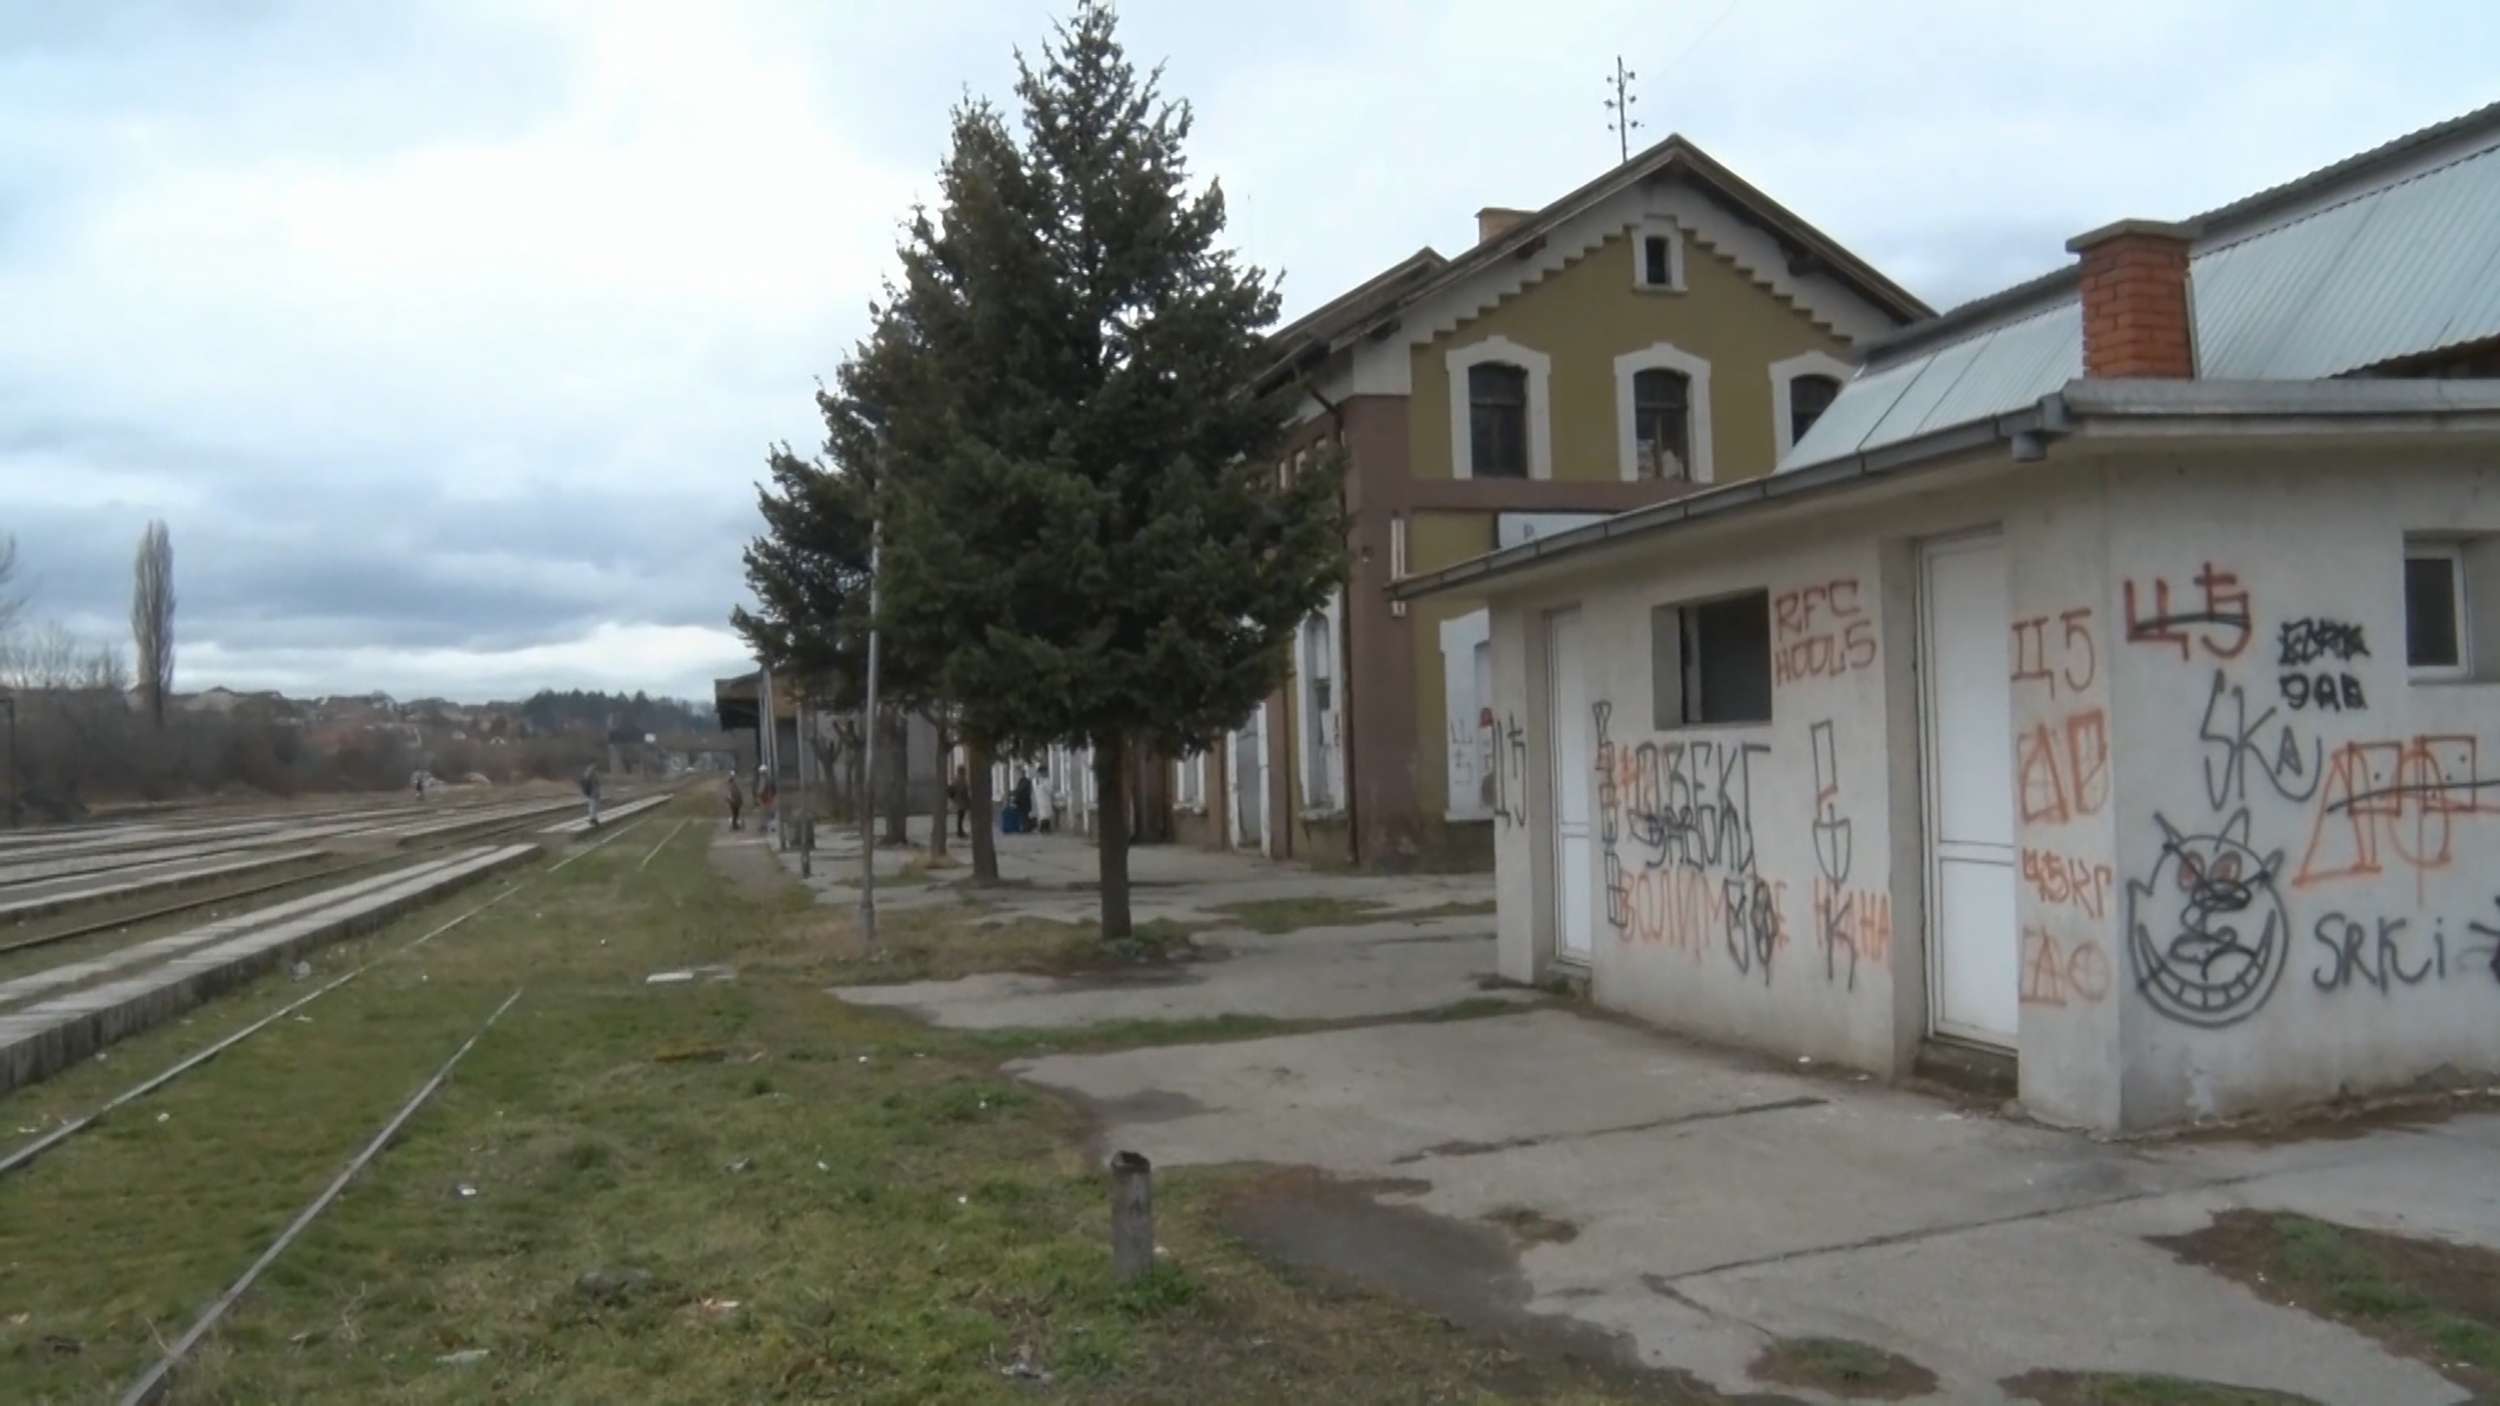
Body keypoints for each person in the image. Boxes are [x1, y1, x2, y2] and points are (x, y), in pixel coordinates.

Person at [1032, 767, 1057, 834]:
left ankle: (1043, 828)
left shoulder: (1036, 780)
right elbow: (1051, 790)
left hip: (1040, 800)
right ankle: (1044, 828)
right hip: (1045, 799)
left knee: (1043, 815)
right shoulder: (1045, 781)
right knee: (1046, 815)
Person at [947, 766, 969, 839]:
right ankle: (960, 832)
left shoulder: (955, 780)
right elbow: (965, 791)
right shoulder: (962, 781)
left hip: (957, 801)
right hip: (961, 801)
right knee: (960, 818)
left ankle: (960, 831)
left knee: (960, 818)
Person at [579, 763, 602, 828]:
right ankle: (592, 819)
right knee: (592, 806)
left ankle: (594, 818)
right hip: (592, 793)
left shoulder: (594, 774)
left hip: (595, 792)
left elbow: (597, 784)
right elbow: (586, 782)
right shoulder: (589, 773)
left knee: (594, 806)